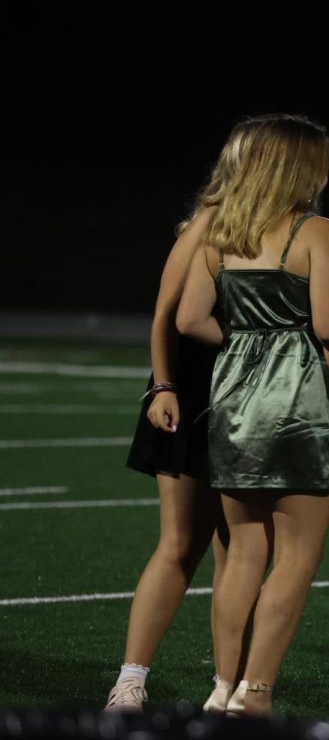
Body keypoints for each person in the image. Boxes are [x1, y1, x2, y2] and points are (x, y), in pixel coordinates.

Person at [177, 113, 329, 716]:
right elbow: (328, 324)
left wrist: (243, 339)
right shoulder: (316, 229)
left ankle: (222, 686)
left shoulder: (220, 230)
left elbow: (188, 320)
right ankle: (256, 693)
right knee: (298, 554)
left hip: (232, 395)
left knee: (242, 551)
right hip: (294, 399)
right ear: (302, 168)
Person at [104, 202, 226, 712]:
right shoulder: (211, 221)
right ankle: (130, 682)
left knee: (237, 548)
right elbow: (166, 315)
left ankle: (229, 687)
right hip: (194, 389)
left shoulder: (296, 226)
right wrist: (164, 385)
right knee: (180, 541)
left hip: (255, 395)